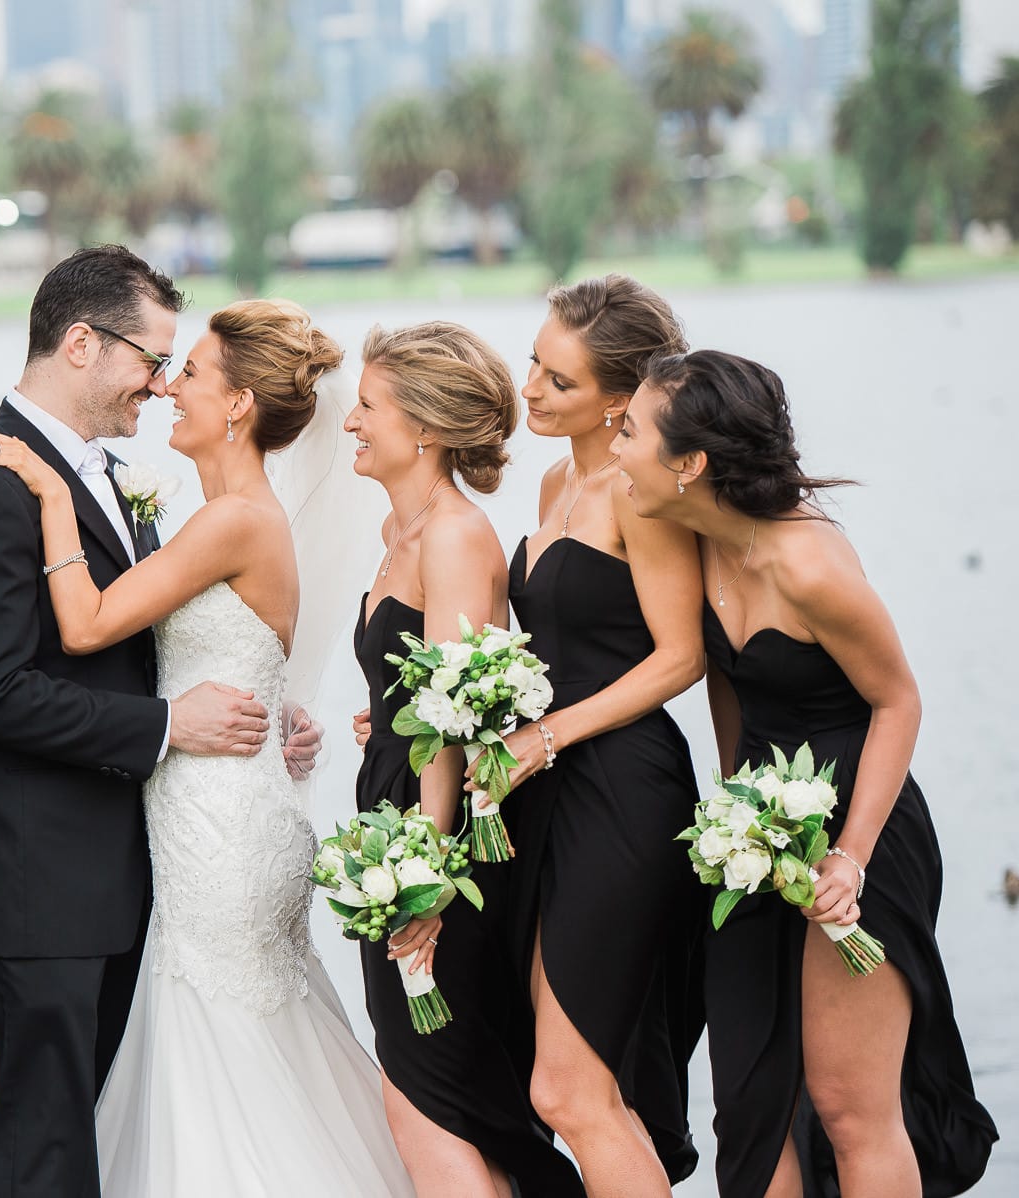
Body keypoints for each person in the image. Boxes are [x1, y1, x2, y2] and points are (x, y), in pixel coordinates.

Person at [0, 297, 406, 1195]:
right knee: (234, 1054)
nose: (172, 387)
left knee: (221, 1055)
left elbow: (86, 625)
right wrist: (279, 711)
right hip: (222, 809)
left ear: (239, 404)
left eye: (192, 374)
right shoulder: (224, 516)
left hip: (220, 831)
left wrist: (51, 489)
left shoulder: (234, 521)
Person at [0, 246, 319, 1198]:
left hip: (148, 871)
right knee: (49, 1147)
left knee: (127, 1138)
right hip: (40, 883)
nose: (161, 381)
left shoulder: (102, 476)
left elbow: (162, 641)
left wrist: (261, 701)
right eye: (153, 358)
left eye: (180, 366)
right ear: (81, 343)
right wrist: (166, 724)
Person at [615, 348, 998, 1198]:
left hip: (864, 830)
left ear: (690, 464)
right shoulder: (698, 540)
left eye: (631, 431)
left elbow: (899, 704)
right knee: (750, 1105)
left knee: (850, 1106)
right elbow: (727, 686)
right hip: (754, 833)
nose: (616, 449)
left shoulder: (810, 566)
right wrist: (731, 810)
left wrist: (848, 860)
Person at [345, 322, 585, 1198]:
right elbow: (435, 693)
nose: (351, 425)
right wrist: (383, 718)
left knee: (429, 1103)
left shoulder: (452, 535)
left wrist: (425, 878)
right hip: (404, 811)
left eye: (367, 408)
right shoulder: (398, 528)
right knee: (440, 1097)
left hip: (437, 845)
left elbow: (451, 725)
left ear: (426, 428)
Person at [502, 275, 708, 1193]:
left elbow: (680, 656)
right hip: (542, 790)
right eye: (535, 364)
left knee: (571, 1086)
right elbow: (562, 639)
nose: (530, 388)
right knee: (566, 1081)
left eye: (558, 380)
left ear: (622, 401)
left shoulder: (637, 489)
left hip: (622, 787)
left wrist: (549, 736)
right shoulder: (553, 478)